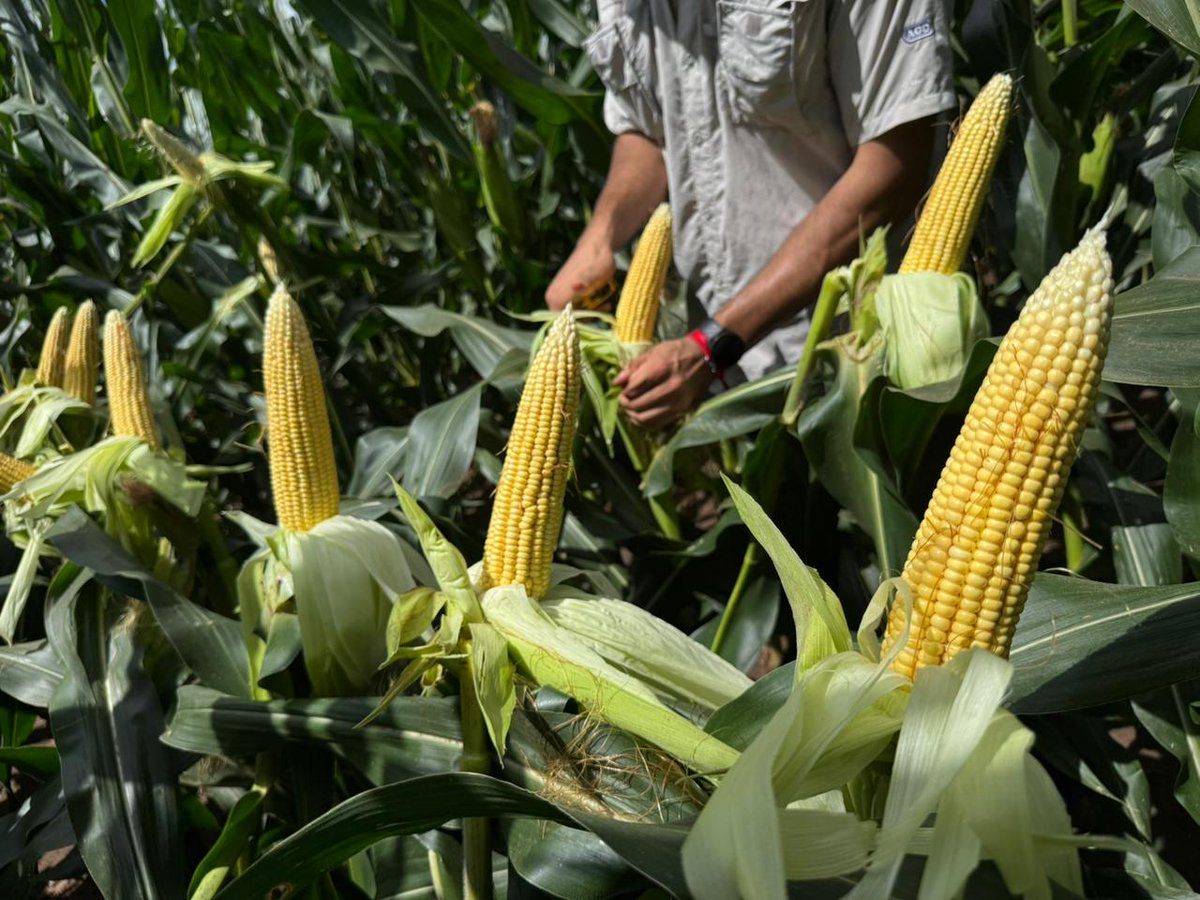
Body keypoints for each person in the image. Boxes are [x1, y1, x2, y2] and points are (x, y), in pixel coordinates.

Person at [545, 1, 957, 429]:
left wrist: (714, 344)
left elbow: (892, 167)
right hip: (717, 372)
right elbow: (649, 126)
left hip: (856, 361)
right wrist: (599, 238)